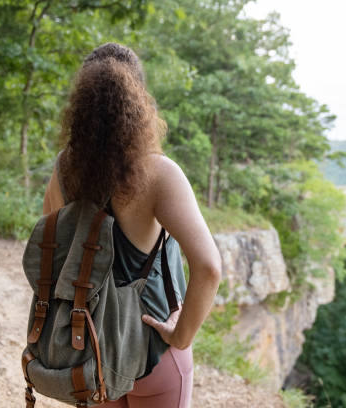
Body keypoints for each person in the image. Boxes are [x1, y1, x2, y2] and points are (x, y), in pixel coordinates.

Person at [41, 43, 222, 408]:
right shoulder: (159, 174)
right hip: (154, 350)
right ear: (139, 98)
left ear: (82, 103)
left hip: (92, 350)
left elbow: (52, 259)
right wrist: (182, 335)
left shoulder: (63, 170)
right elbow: (209, 267)